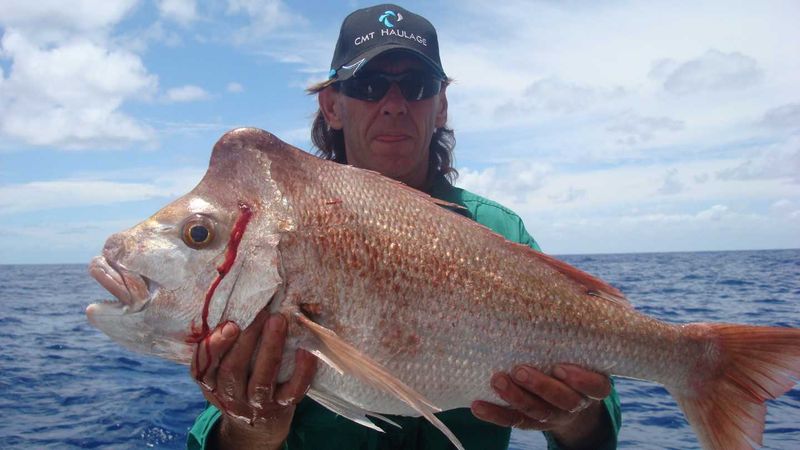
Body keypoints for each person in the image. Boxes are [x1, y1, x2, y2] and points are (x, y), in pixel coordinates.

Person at [188, 4, 621, 449]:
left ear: (440, 107)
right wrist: (250, 429)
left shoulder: (499, 231)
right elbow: (222, 431)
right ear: (332, 106)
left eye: (416, 86)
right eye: (369, 86)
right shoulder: (277, 234)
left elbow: (593, 434)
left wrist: (576, 417)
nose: (394, 105)